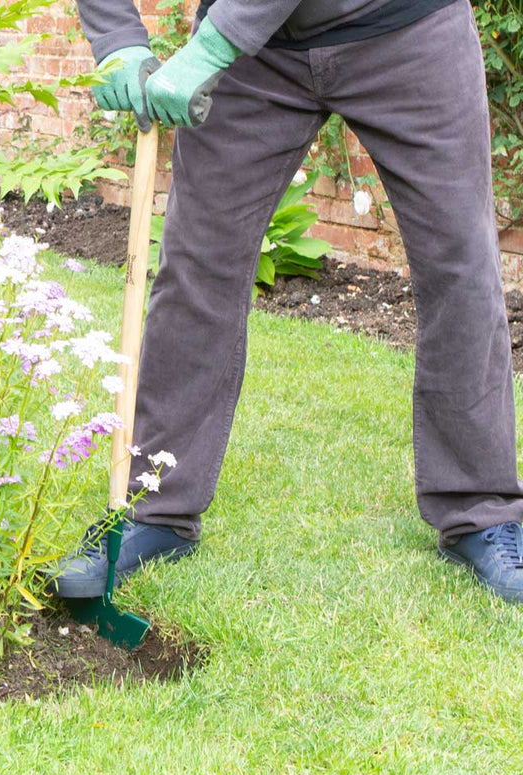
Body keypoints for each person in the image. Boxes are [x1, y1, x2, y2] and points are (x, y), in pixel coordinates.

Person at [50, 0, 523, 603]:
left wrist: (212, 47)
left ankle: (481, 511)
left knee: (460, 264)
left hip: (407, 28)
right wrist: (117, 38)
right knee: (198, 264)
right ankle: (154, 507)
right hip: (258, 55)